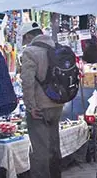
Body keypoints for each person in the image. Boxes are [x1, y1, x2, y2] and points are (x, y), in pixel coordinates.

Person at [20, 21, 64, 178]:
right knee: (54, 146)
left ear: (30, 36)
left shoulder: (30, 52)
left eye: (25, 39)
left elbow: (27, 81)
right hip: (57, 104)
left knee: (40, 151)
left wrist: (30, 105)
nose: (25, 43)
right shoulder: (56, 47)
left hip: (39, 107)